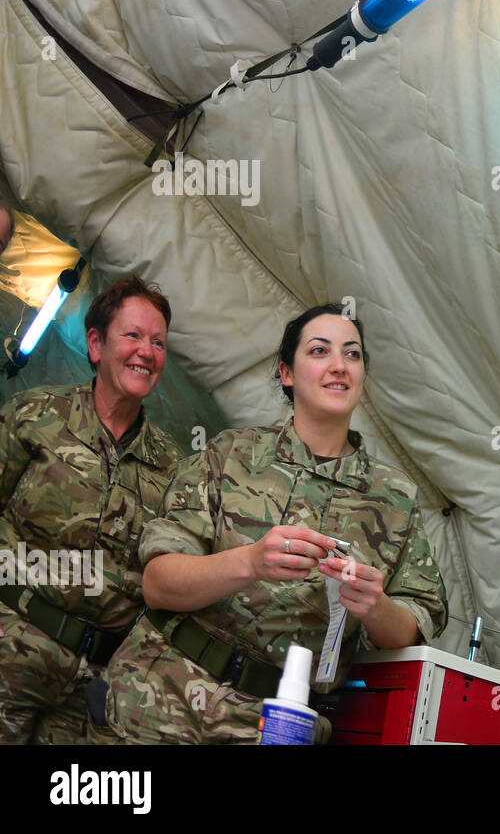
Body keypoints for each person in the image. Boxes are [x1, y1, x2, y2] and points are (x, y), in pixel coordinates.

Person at [103, 302, 448, 743]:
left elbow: (412, 629)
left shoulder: (395, 497)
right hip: (159, 699)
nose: (339, 366)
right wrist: (250, 562)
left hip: (274, 727)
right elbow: (158, 582)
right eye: (320, 351)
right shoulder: (231, 454)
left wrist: (374, 605)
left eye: (353, 354)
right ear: (287, 373)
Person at [0, 275, 179, 744]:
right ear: (96, 345)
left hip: (90, 687)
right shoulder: (34, 416)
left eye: (158, 342)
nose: (147, 351)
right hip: (9, 654)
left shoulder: (175, 469)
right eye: (134, 336)